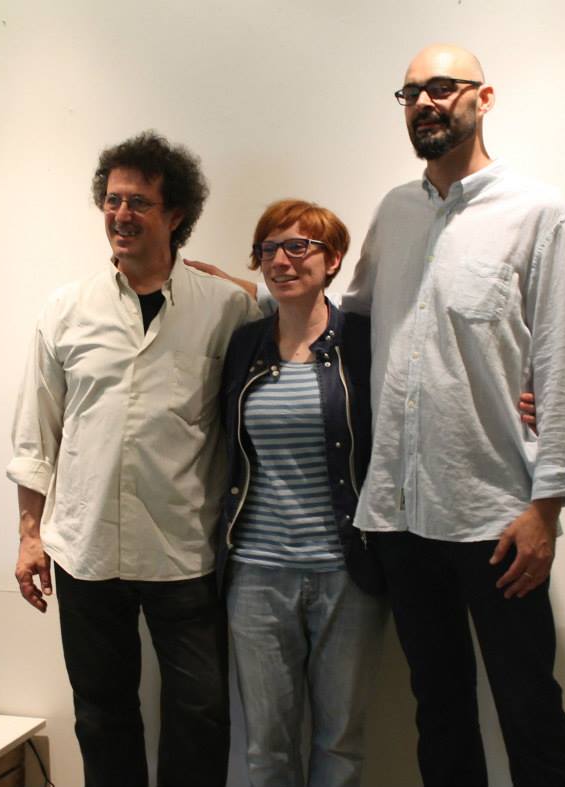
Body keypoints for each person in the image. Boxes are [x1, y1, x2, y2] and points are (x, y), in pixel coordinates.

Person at [342, 44, 565, 786]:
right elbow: (352, 319)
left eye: (443, 87)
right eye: (412, 92)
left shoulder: (538, 213)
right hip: (400, 516)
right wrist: (254, 299)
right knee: (439, 711)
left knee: (529, 710)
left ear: (484, 98)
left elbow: (562, 363)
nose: (425, 102)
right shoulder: (394, 211)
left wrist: (546, 508)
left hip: (498, 518)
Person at [7, 130, 261, 787]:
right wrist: (30, 536)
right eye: (113, 200)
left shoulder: (225, 309)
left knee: (201, 713)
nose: (121, 214)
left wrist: (254, 290)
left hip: (185, 550)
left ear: (175, 215)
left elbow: (286, 351)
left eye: (139, 202)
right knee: (101, 715)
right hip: (87, 549)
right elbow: (36, 433)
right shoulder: (66, 309)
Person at [219, 199, 388, 787]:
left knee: (339, 742)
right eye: (269, 249)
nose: (281, 260)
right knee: (267, 747)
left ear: (333, 259)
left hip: (347, 572)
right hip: (256, 574)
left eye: (298, 246)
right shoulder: (244, 346)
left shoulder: (363, 343)